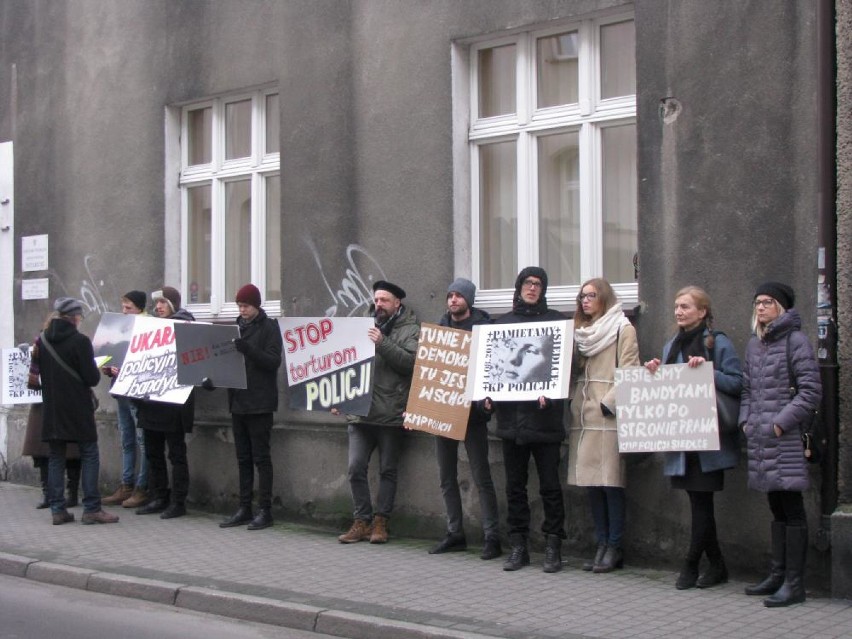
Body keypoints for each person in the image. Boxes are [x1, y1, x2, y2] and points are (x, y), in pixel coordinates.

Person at [644, 286, 742, 589]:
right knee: (698, 504)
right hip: (683, 441)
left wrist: (707, 372)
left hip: (708, 442)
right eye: (676, 306)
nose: (678, 311)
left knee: (702, 504)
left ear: (702, 311)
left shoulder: (717, 342)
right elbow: (670, 389)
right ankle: (717, 566)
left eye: (685, 306)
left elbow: (738, 382)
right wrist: (655, 372)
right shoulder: (672, 344)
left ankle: (689, 564)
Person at [740, 282, 821, 607]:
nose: (760, 307)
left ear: (782, 307)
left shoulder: (796, 341)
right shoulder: (754, 344)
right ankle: (778, 574)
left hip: (783, 439)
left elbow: (810, 391)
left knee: (792, 507)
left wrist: (778, 422)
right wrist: (746, 421)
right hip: (761, 439)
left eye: (768, 302)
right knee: (776, 507)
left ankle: (794, 583)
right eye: (757, 302)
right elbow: (747, 390)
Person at [484, 267, 567, 573]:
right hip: (510, 421)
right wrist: (487, 396)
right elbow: (491, 371)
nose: (533, 288)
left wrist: (551, 395)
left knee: (550, 487)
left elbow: (563, 370)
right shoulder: (501, 324)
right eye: (528, 283)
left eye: (538, 284)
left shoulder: (556, 322)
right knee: (515, 488)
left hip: (545, 421)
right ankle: (518, 546)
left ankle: (553, 545)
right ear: (518, 287)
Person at [337, 280, 419, 545]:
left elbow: (411, 364)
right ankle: (361, 521)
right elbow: (343, 361)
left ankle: (381, 522)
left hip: (391, 412)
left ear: (397, 303)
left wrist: (382, 342)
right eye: (376, 300)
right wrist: (337, 396)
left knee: (388, 470)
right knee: (355, 468)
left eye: (384, 300)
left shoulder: (411, 329)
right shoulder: (360, 325)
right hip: (361, 412)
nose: (378, 304)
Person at [568, 278, 639, 574]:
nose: (585, 301)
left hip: (608, 414)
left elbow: (630, 368)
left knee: (611, 484)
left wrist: (608, 403)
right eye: (582, 296)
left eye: (592, 295)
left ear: (604, 298)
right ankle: (601, 543)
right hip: (582, 414)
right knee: (591, 485)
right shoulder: (581, 333)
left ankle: (614, 545)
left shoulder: (623, 327)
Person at [428, 278, 501, 560]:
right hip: (443, 412)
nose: (453, 299)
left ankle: (491, 536)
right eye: (450, 295)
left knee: (482, 477)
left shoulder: (485, 331)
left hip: (473, 416)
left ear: (469, 300)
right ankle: (455, 533)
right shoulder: (439, 331)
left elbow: (494, 369)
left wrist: (488, 403)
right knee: (446, 477)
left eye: (459, 295)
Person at [36, 297, 118, 525]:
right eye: (79, 316)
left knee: (55, 457)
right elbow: (91, 378)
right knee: (89, 453)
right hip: (77, 408)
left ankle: (57, 510)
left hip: (52, 408)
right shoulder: (80, 341)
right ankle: (92, 508)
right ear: (74, 317)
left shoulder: (42, 340)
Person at [216, 284, 283, 531]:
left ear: (256, 306)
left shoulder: (269, 327)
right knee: (243, 458)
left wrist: (249, 349)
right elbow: (225, 362)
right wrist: (214, 380)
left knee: (261, 458)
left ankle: (265, 510)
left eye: (246, 306)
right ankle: (244, 507)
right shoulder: (235, 328)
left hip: (260, 403)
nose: (242, 310)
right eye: (239, 306)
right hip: (238, 403)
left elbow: (273, 361)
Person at [134, 286, 196, 520]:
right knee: (153, 452)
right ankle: (159, 495)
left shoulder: (185, 326)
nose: (158, 307)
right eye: (157, 303)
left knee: (176, 454)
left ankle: (178, 501)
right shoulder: (149, 330)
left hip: (174, 406)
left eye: (163, 303)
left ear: (173, 304)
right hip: (151, 401)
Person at [102, 290, 150, 509]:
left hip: (136, 393)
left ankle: (142, 487)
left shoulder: (147, 327)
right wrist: (108, 367)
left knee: (141, 440)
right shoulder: (120, 327)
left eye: (128, 308)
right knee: (127, 440)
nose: (124, 311)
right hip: (120, 389)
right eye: (123, 307)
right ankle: (126, 484)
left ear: (139, 308)